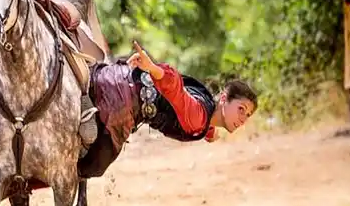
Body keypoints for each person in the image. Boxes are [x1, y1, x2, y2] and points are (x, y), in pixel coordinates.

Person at [76, 40, 258, 180]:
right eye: (241, 109)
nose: (243, 119)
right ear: (225, 98)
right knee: (92, 166)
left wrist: (210, 132)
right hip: (118, 100)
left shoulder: (206, 109)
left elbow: (194, 110)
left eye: (248, 115)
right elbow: (176, 91)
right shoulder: (198, 117)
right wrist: (154, 69)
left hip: (120, 78)